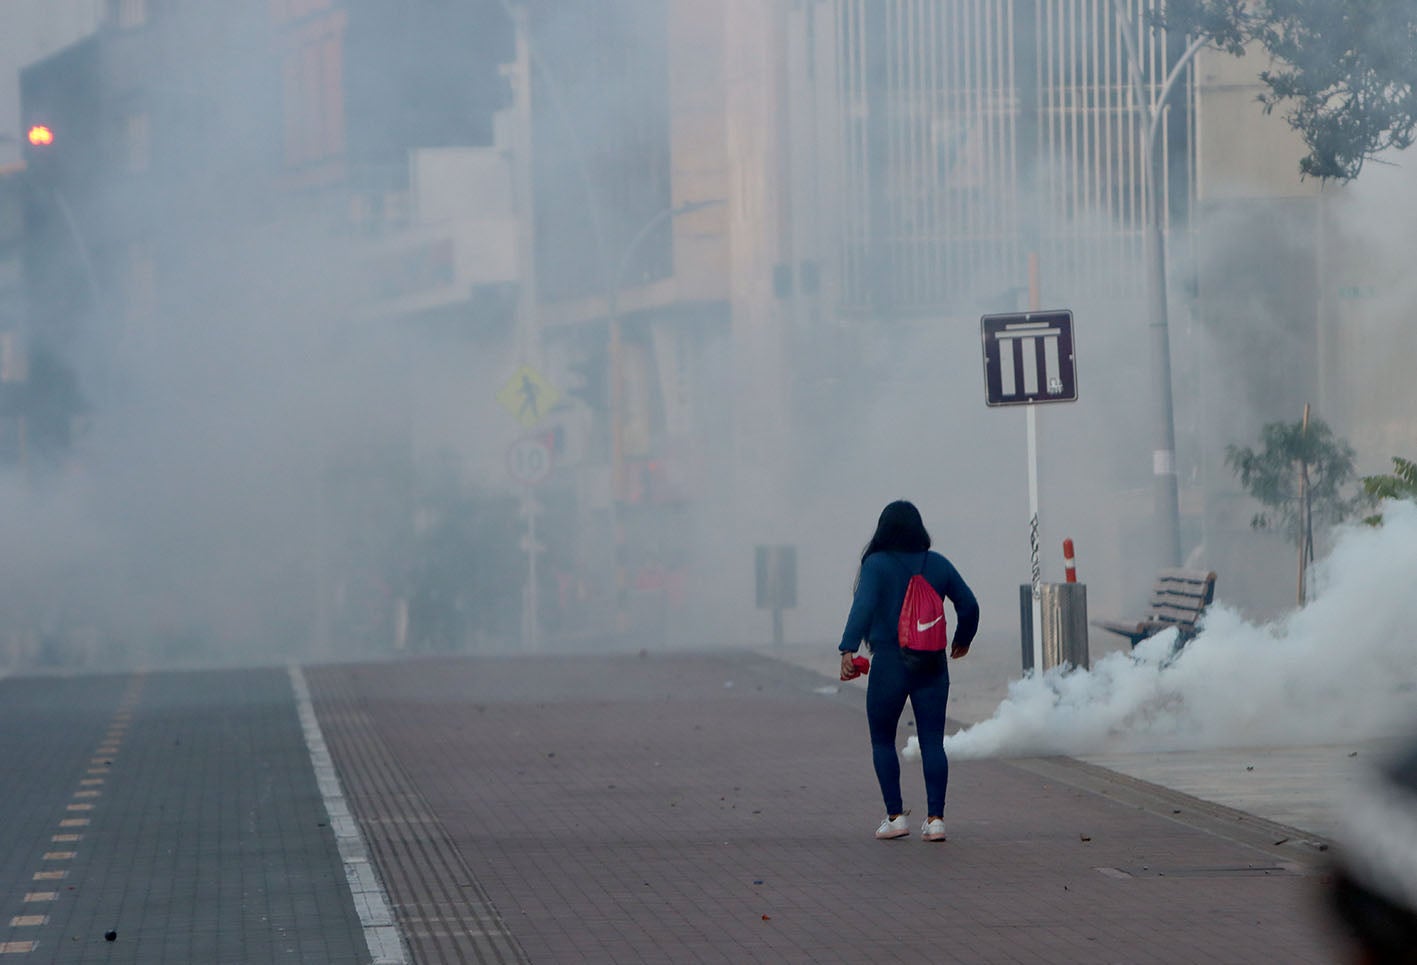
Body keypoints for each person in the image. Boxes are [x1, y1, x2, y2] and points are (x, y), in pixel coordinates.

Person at [838, 500, 979, 842]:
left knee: (883, 739)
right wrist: (963, 639)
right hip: (931, 662)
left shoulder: (876, 565)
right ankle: (935, 820)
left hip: (889, 662)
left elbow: (864, 605)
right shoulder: (937, 564)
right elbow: (969, 604)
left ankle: (895, 817)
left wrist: (848, 647)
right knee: (933, 741)